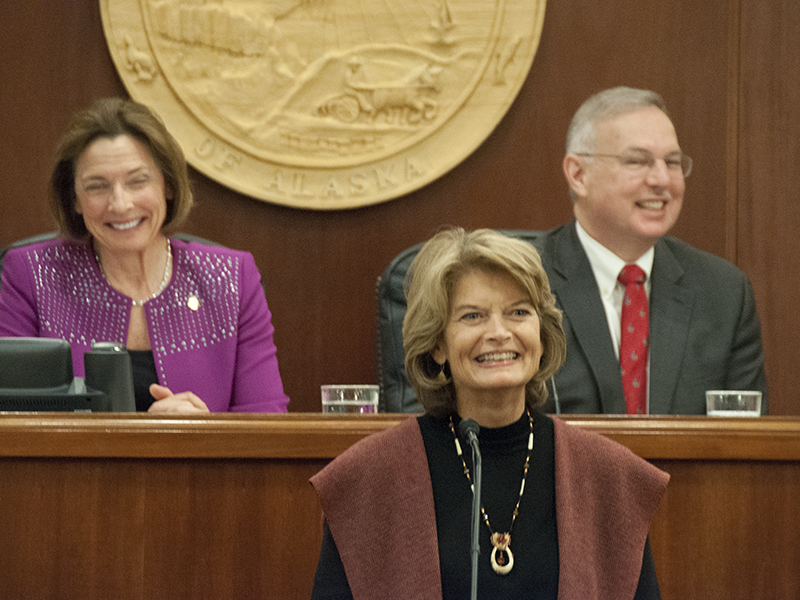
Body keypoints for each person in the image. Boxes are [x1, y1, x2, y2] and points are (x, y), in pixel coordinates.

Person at [310, 228, 669, 599]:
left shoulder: (608, 478)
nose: (498, 332)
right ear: (437, 344)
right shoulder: (369, 480)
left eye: (518, 312)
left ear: (542, 335)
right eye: (472, 316)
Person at [0, 98, 289, 413]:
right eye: (97, 186)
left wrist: (206, 433)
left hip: (199, 464)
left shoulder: (232, 278)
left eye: (138, 181)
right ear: (75, 200)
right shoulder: (30, 275)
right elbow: (12, 425)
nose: (120, 204)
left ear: (168, 185)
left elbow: (265, 423)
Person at [535, 86, 767, 415]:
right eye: (637, 161)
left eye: (672, 162)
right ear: (578, 174)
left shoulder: (724, 293)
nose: (661, 179)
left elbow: (746, 447)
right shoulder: (525, 281)